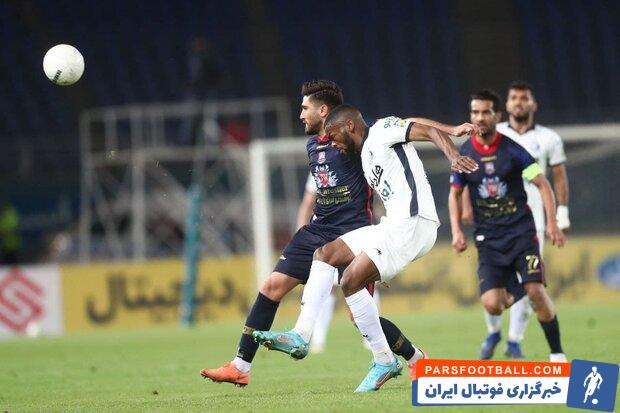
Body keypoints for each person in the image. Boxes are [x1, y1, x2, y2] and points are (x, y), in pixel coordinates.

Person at [200, 81, 422, 387]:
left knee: (358, 316)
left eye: (305, 108)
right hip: (317, 230)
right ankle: (240, 366)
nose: (301, 114)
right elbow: (314, 194)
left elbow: (387, 143)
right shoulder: (312, 147)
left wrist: (380, 247)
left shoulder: (355, 139)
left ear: (324, 110)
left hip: (353, 233)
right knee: (271, 287)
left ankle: (415, 358)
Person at [253, 104, 479, 392]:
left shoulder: (382, 130)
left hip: (414, 225)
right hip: (391, 226)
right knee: (325, 254)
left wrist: (454, 152)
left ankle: (383, 360)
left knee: (350, 281)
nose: (333, 143)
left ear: (349, 126)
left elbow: (426, 129)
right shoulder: (363, 155)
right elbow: (410, 121)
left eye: (334, 136)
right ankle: (301, 334)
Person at [448, 89, 568, 364]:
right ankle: (521, 285)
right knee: (493, 305)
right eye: (475, 112)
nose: (480, 117)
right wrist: (456, 230)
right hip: (488, 239)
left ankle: (557, 353)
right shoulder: (465, 153)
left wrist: (552, 223)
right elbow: (454, 193)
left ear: (496, 115)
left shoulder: (513, 151)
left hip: (521, 234)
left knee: (536, 291)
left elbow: (543, 185)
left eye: (486, 112)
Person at [296, 172, 381, 354]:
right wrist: (302, 236)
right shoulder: (323, 167)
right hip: (333, 234)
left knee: (362, 282)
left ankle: (371, 339)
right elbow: (308, 202)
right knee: (334, 286)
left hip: (354, 230)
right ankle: (318, 340)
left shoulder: (358, 163)